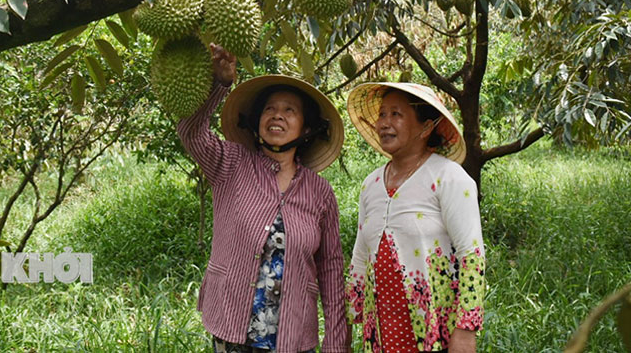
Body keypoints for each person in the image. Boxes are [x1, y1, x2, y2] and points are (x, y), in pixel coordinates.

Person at [176, 43, 350, 353]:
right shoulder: (230, 163)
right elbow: (192, 133)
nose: (277, 116)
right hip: (232, 331)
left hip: (293, 339)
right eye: (269, 109)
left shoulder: (320, 193)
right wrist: (220, 83)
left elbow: (332, 272)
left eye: (289, 110)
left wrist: (336, 345)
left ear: (305, 128)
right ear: (257, 121)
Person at [344, 83, 485, 353]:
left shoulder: (449, 178)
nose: (384, 123)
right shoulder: (370, 184)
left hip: (435, 333)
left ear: (426, 127)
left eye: (396, 114)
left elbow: (472, 255)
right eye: (382, 115)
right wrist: (348, 325)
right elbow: (360, 257)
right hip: (383, 329)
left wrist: (465, 331)